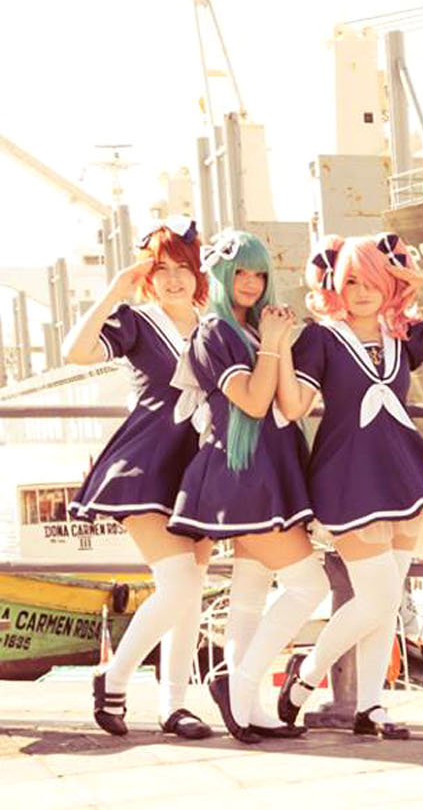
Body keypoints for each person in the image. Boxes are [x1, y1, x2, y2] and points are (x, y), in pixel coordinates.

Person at [274, 232, 423, 739]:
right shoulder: (321, 339)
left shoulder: (402, 337)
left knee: (386, 599)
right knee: (379, 597)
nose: (363, 291)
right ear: (335, 287)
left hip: (402, 477)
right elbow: (294, 406)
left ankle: (370, 706)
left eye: (372, 280)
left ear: (389, 283)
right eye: (351, 281)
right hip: (347, 476)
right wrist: (278, 349)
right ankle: (306, 675)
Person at [168, 229, 329, 743]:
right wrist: (277, 343)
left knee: (250, 595)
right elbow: (255, 403)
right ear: (219, 274)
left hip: (269, 469)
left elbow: (287, 405)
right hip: (246, 474)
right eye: (241, 272)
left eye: (260, 274)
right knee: (311, 586)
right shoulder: (215, 332)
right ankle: (236, 684)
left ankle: (249, 707)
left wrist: (276, 341)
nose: (252, 283)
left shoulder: (251, 331)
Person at [64, 219, 213, 740]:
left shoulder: (214, 327)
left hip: (198, 469)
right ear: (148, 276)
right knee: (179, 584)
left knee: (192, 590)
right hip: (145, 465)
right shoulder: (137, 322)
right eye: (162, 268)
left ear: (198, 274)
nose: (173, 279)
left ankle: (175, 706)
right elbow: (76, 352)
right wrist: (113, 292)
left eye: (183, 268)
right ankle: (114, 677)